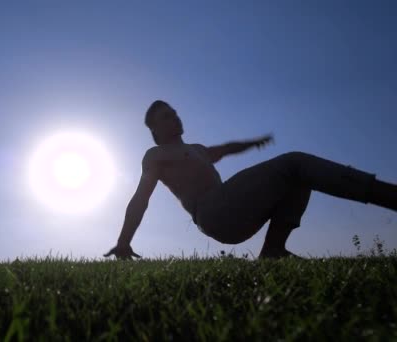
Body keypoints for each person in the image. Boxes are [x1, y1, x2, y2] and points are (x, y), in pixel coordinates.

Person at [104, 100, 397, 260]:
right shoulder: (155, 155)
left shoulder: (197, 150)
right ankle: (389, 195)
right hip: (210, 213)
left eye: (175, 113)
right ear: (154, 128)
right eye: (167, 117)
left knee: (297, 177)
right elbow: (141, 198)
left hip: (231, 215)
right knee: (295, 162)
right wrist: (123, 242)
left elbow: (227, 148)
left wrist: (254, 142)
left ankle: (273, 251)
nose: (175, 118)